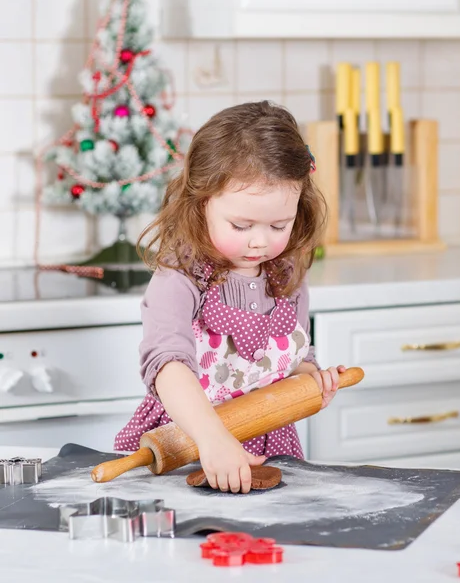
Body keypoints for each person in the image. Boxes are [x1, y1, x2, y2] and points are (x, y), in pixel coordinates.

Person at [115, 101, 346, 493]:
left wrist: (311, 382)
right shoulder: (181, 276)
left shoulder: (286, 274)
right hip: (185, 444)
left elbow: (291, 363)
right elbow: (167, 366)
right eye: (241, 225)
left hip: (272, 447)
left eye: (279, 224)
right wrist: (212, 439)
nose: (260, 241)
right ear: (202, 202)